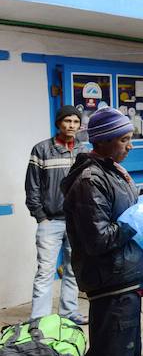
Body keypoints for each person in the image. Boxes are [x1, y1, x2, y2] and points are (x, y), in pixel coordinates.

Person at [62, 107, 143, 356]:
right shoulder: (91, 180)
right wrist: (141, 218)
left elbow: (127, 203)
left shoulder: (111, 171)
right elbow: (99, 239)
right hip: (111, 285)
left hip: (125, 282)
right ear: (103, 141)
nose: (130, 145)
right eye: (124, 139)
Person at [25, 105, 87, 325]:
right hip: (50, 221)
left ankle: (68, 313)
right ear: (58, 123)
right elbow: (32, 186)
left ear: (80, 125)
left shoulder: (83, 151)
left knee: (73, 268)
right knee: (45, 271)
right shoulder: (41, 149)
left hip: (76, 221)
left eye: (75, 122)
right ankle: (39, 318)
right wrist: (40, 215)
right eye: (67, 121)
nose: (71, 126)